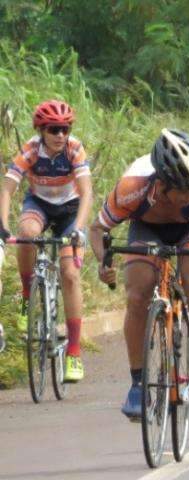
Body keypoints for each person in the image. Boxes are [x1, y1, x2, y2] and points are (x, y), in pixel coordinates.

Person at [89, 129, 189, 419]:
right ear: (162, 184)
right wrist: (103, 262)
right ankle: (137, 383)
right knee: (137, 294)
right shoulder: (132, 187)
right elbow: (98, 230)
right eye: (185, 190)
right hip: (147, 228)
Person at [0, 100, 92, 381]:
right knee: (26, 233)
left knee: (70, 274)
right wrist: (3, 228)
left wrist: (77, 229)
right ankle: (28, 296)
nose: (60, 135)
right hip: (39, 203)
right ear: (41, 130)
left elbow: (87, 193)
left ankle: (74, 353)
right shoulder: (30, 150)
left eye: (65, 129)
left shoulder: (74, 149)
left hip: (70, 210)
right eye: (53, 129)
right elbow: (7, 191)